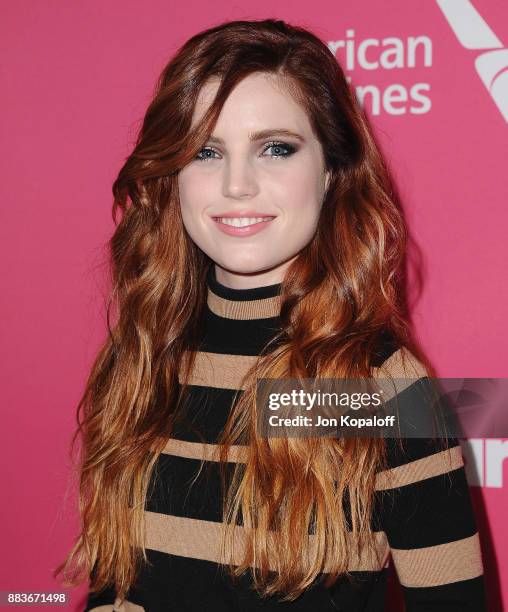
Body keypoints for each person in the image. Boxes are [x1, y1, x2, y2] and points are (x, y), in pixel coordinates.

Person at [55, 18, 487, 611]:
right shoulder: (144, 357)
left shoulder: (380, 391)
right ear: (173, 175)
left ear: (333, 170)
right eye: (206, 152)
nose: (237, 185)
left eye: (275, 148)